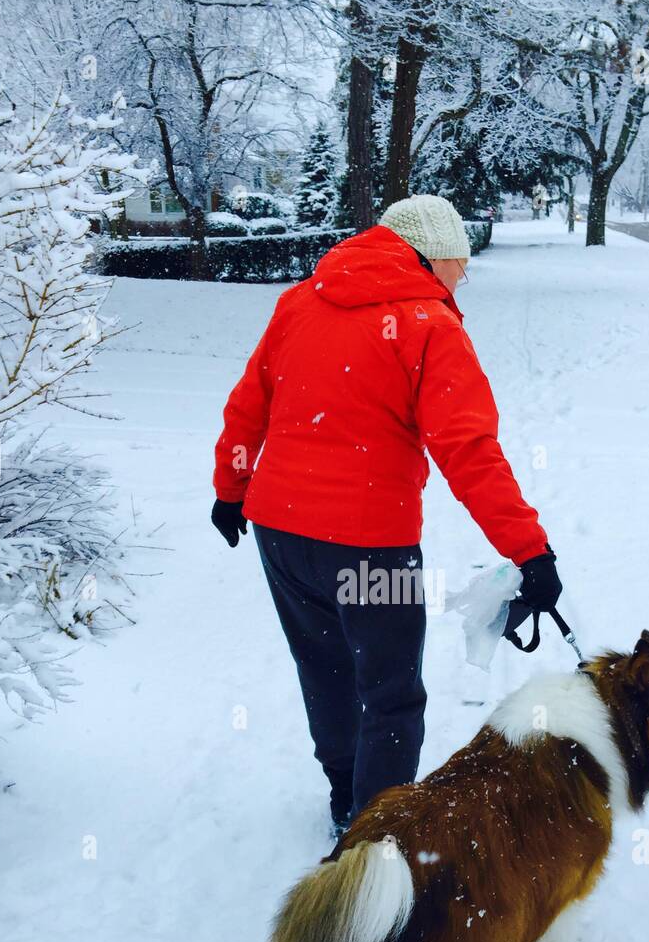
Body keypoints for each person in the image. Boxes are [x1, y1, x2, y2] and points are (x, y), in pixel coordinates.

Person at [212, 194, 560, 834]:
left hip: (280, 533)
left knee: (325, 668)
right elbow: (468, 449)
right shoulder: (431, 326)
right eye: (461, 265)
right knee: (391, 695)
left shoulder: (299, 303)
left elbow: (247, 406)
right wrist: (529, 549)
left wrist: (231, 489)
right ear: (431, 256)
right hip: (371, 548)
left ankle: (347, 797)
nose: (463, 279)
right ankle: (375, 834)